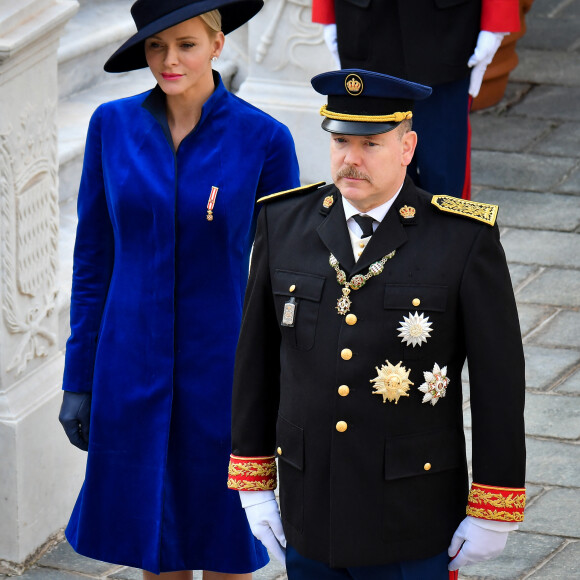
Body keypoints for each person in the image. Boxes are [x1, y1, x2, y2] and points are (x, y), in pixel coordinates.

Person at [227, 69, 526, 579]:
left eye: (371, 143)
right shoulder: (283, 224)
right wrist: (255, 485)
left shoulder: (461, 239)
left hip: (410, 511)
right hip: (309, 506)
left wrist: (493, 508)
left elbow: (500, 383)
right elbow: (256, 365)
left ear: (407, 147)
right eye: (341, 141)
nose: (351, 158)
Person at [58, 0, 300, 578]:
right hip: (128, 365)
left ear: (218, 45)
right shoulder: (109, 128)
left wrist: (286, 384)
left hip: (221, 370)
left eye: (186, 44)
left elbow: (285, 277)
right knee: (154, 539)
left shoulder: (264, 140)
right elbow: (93, 260)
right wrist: (79, 377)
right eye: (156, 46)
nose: (169, 60)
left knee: (224, 538)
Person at [312, 0, 521, 200]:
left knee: (444, 177)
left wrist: (497, 17)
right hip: (363, 21)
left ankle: (446, 237)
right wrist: (325, 10)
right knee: (372, 174)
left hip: (448, 27)